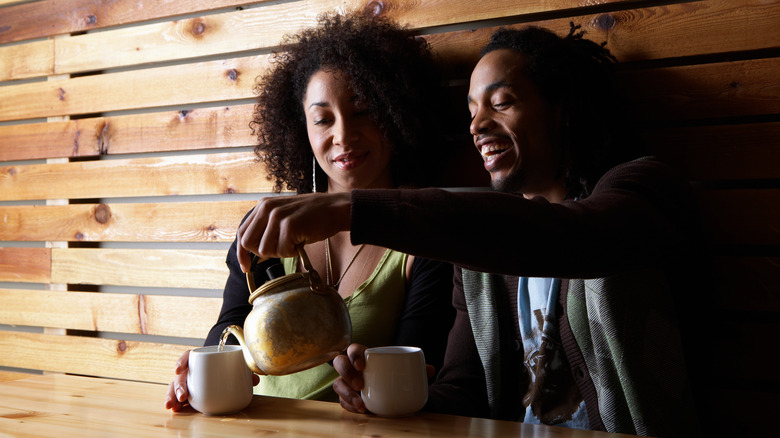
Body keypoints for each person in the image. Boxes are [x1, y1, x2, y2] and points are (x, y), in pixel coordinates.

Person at [233, 24, 708, 438]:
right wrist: (383, 394)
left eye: (501, 104)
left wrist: (352, 210)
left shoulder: (644, 189)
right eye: (472, 111)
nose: (478, 125)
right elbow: (463, 394)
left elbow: (578, 239)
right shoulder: (480, 254)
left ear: (563, 109)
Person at [164, 12, 454, 410]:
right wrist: (196, 368)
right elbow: (230, 328)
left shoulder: (423, 239)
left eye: (363, 110)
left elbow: (420, 365)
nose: (343, 135)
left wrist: (366, 384)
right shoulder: (270, 227)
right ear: (301, 130)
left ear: (395, 113)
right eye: (322, 119)